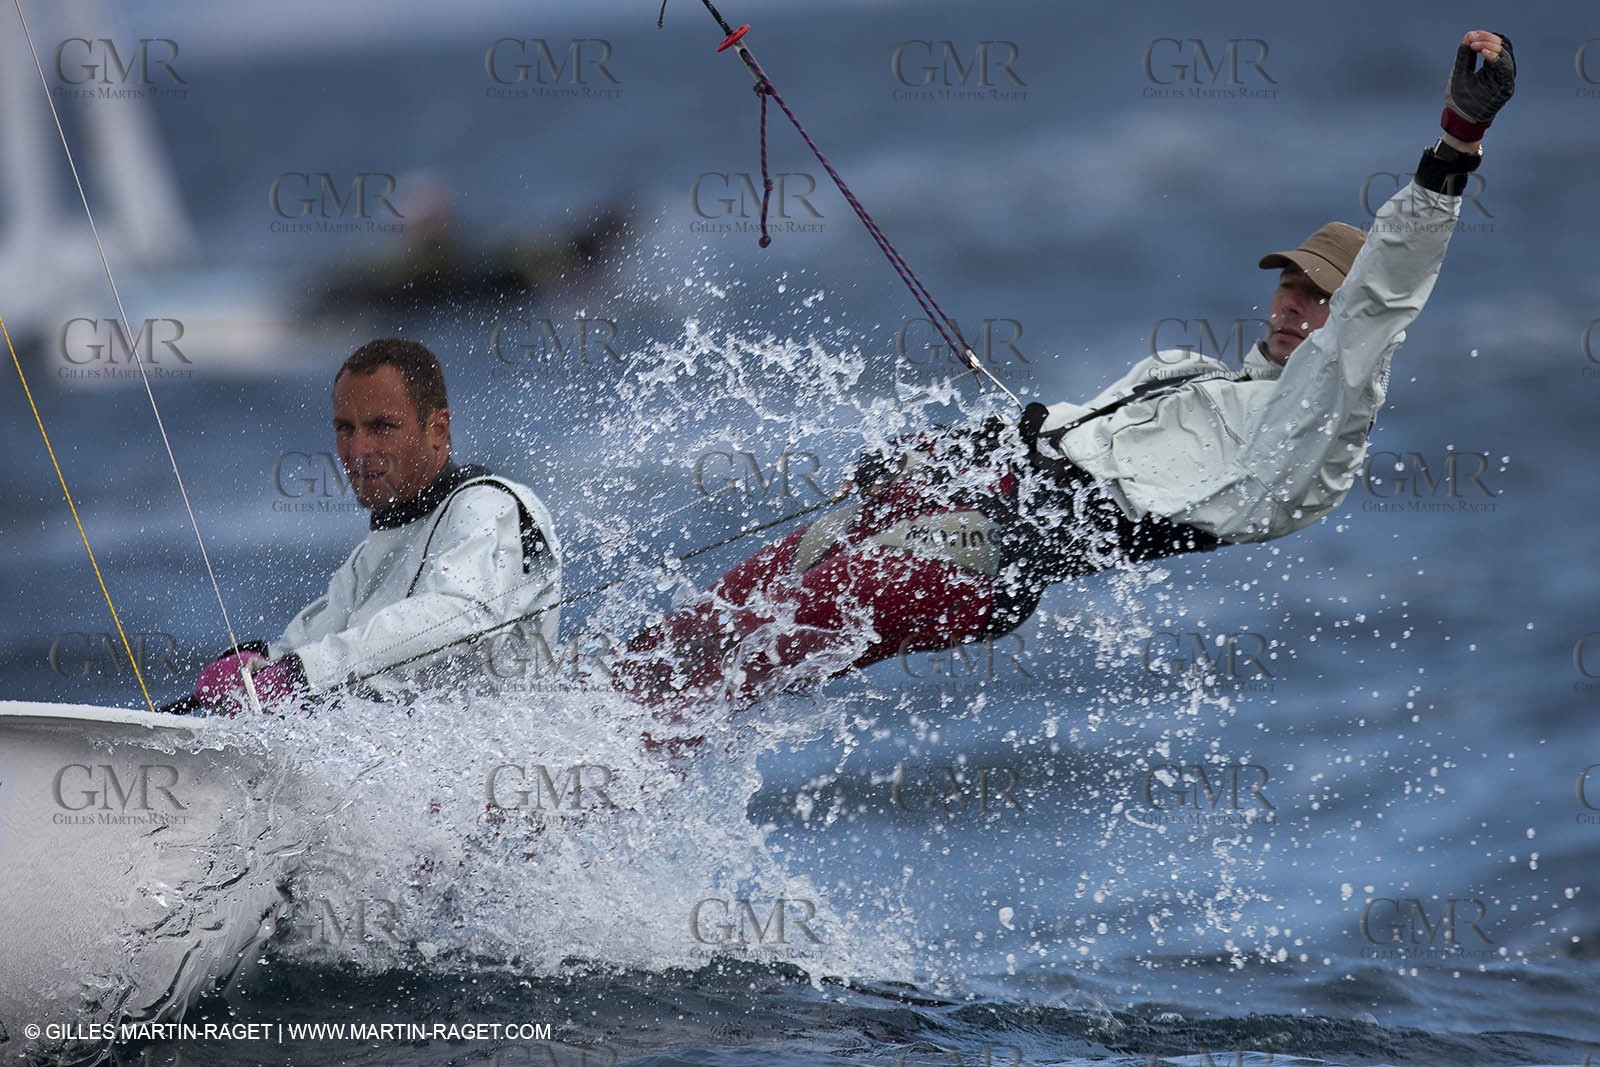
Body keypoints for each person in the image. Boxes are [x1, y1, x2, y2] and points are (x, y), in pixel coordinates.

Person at [614, 30, 1515, 715]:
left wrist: (1458, 139)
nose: (1292, 305)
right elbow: (1048, 433)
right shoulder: (1181, 371)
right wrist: (934, 456)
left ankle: (604, 771)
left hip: (990, 558)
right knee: (738, 598)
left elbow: (1384, 294)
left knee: (774, 637)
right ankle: (577, 702)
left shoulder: (1320, 428)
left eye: (1316, 296)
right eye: (1287, 285)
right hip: (964, 497)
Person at [188, 338, 561, 713]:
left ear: (437, 429)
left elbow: (460, 619)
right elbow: (317, 643)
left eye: (381, 427)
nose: (357, 450)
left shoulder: (491, 505)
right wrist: (258, 664)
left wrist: (299, 675)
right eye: (346, 429)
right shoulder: (370, 556)